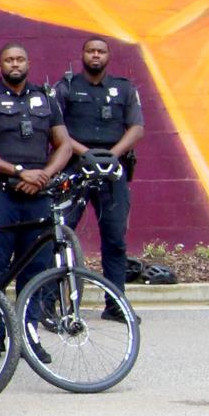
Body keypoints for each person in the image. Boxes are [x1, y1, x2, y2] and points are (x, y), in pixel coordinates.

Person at [0, 44, 73, 301]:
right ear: (0, 66)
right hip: (2, 195)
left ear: (28, 63)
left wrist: (44, 175)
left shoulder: (46, 97)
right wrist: (19, 172)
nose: (15, 64)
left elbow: (65, 144)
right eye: (9, 60)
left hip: (39, 195)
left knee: (37, 268)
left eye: (20, 60)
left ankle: (29, 335)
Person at [54, 37, 144, 315]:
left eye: (101, 52)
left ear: (108, 56)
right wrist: (85, 154)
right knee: (60, 234)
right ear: (82, 55)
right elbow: (56, 129)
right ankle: (50, 303)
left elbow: (137, 128)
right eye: (91, 51)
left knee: (115, 238)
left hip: (111, 170)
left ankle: (115, 305)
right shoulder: (66, 88)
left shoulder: (124, 89)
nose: (96, 56)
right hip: (75, 166)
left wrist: (111, 155)